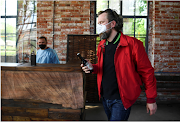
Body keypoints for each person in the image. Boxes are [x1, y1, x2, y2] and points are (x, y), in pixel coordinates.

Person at [81, 9, 157, 121]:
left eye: (102, 22)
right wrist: (92, 68)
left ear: (112, 24)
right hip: (105, 97)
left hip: (121, 99)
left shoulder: (133, 44)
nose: (99, 26)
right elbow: (105, 67)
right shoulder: (102, 45)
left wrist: (151, 99)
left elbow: (147, 72)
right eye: (98, 23)